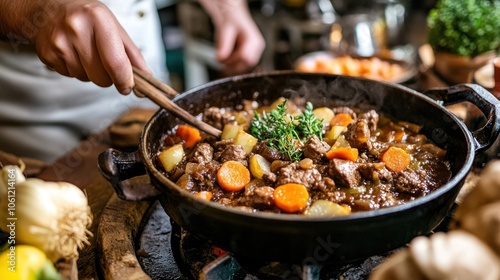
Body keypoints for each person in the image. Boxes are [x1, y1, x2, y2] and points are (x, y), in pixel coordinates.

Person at [0, 0, 265, 163]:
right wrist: (37, 9)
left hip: (144, 69)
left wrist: (228, 7)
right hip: (38, 110)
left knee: (157, 153)